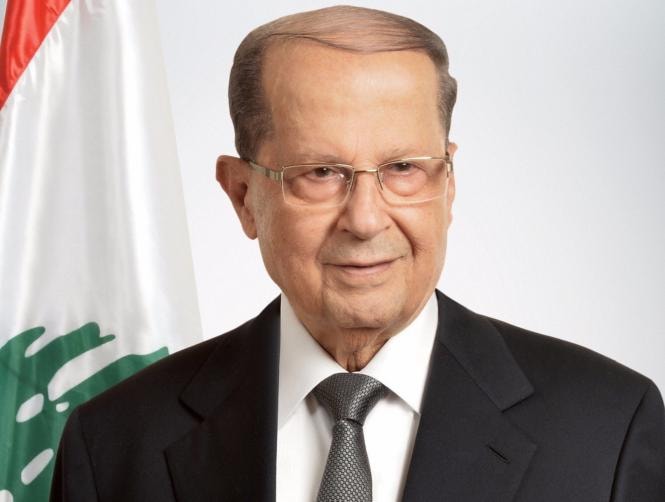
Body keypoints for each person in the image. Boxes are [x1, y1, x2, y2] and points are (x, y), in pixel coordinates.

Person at [50, 5, 665, 501]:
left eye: (403, 168)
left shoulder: (609, 428)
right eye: (320, 172)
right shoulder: (113, 444)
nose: (366, 220)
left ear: (448, 184)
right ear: (243, 196)